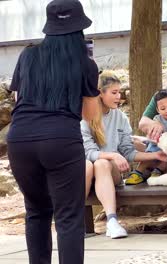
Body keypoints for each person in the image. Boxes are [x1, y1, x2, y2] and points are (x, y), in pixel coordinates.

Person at [6, 1, 99, 263]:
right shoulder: (85, 63)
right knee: (69, 216)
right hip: (61, 141)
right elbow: (90, 115)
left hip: (20, 140)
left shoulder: (27, 55)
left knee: (36, 211)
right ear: (79, 29)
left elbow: (17, 99)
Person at [81, 71, 167, 239]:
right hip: (85, 173)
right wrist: (113, 155)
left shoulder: (120, 117)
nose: (118, 97)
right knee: (92, 164)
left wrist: (156, 155)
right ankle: (75, 222)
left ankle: (112, 221)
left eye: (119, 92)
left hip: (107, 173)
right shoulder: (85, 116)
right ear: (100, 92)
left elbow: (128, 151)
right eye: (114, 92)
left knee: (102, 164)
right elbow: (88, 152)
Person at [126, 89, 167, 185]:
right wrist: (155, 138)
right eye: (163, 108)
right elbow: (152, 134)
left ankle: (158, 171)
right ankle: (139, 172)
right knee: (151, 150)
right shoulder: (157, 119)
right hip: (158, 144)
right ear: (157, 110)